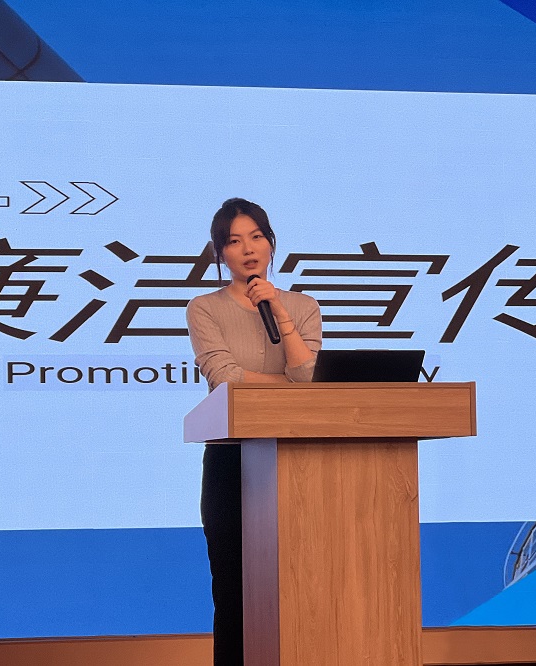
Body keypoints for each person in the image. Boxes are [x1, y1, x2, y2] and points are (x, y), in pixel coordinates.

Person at [186, 198, 322, 665]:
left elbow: (309, 379)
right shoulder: (204, 308)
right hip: (232, 460)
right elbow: (224, 378)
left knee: (300, 583)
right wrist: (287, 383)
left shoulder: (302, 307)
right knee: (233, 589)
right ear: (220, 253)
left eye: (256, 237)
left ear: (270, 243)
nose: (248, 249)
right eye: (234, 241)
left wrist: (279, 310)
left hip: (298, 461)